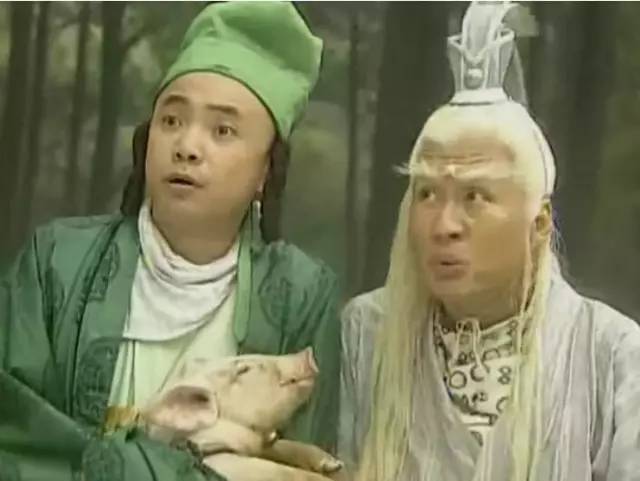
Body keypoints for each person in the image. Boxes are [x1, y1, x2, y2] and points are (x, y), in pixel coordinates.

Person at [0, 3, 340, 480]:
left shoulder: (299, 295)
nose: (187, 147)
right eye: (172, 120)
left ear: (266, 170)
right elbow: (15, 445)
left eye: (222, 130)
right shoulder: (56, 263)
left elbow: (296, 468)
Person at [338, 2, 640, 481]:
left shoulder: (612, 354)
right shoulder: (366, 335)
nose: (444, 225)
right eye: (427, 194)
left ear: (539, 224)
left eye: (475, 197)